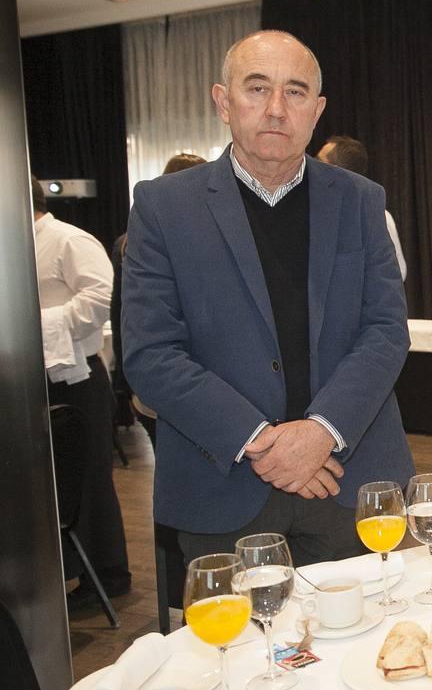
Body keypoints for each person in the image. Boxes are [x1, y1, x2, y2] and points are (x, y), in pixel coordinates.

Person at [121, 30, 413, 566]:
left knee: (366, 646)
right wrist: (263, 441)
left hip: (350, 485)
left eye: (295, 92)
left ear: (317, 109)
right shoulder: (163, 207)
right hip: (225, 485)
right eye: (257, 89)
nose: (276, 109)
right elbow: (151, 353)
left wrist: (321, 432)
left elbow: (386, 332)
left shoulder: (362, 202)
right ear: (222, 102)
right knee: (242, 648)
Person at [32, 178, 132, 608]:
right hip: (34, 378)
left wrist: (37, 324)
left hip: (78, 376)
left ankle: (108, 577)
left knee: (88, 480)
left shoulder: (67, 240)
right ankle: (71, 571)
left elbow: (100, 296)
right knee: (52, 484)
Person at [110, 152, 207, 447]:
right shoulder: (137, 242)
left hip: (162, 389)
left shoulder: (129, 241)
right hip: (176, 387)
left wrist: (125, 385)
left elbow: (120, 319)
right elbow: (126, 316)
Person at [316, 135, 408, 281]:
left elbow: (396, 272)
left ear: (337, 171)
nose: (313, 168)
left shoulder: (377, 217)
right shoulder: (314, 214)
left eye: (319, 162)